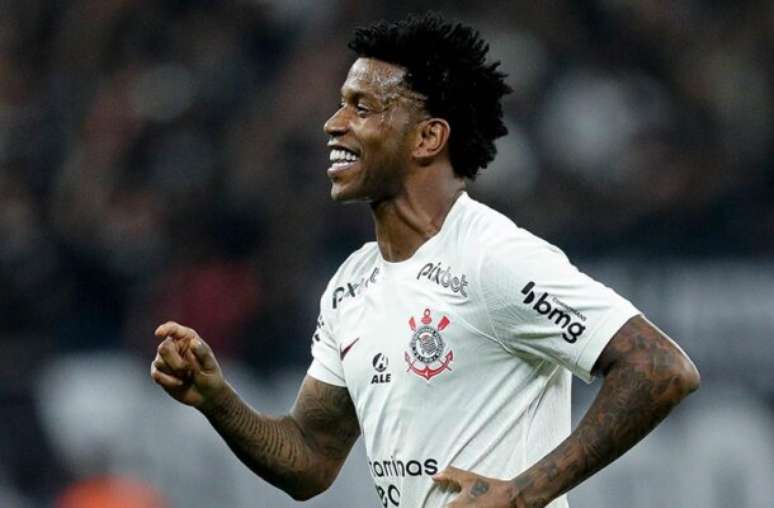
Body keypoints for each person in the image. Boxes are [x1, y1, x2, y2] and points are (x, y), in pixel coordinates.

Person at [150, 13, 700, 508]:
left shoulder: (492, 258)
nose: (334, 123)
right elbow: (309, 460)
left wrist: (524, 492)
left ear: (428, 137)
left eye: (362, 107)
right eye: (341, 103)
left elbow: (660, 367)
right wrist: (216, 400)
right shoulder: (353, 283)